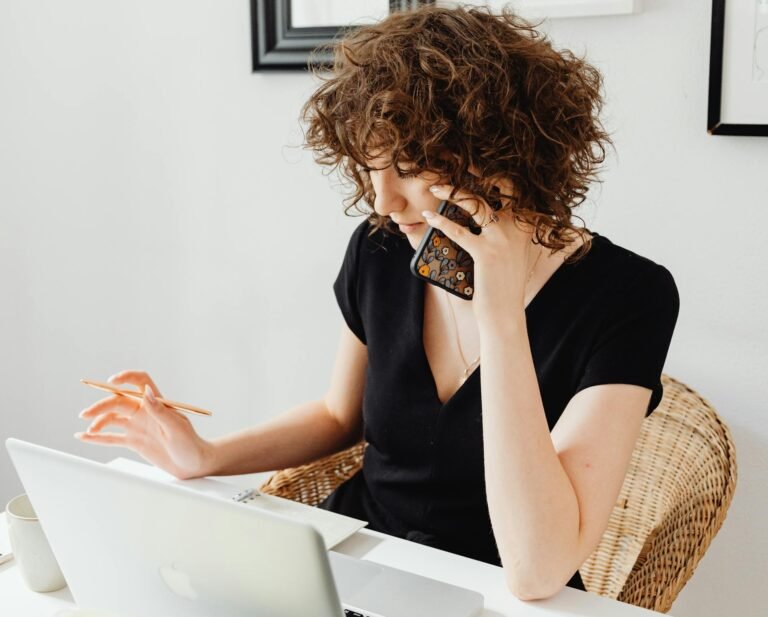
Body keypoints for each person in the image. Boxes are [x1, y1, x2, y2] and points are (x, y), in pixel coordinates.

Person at [75, 5, 679, 601]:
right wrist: (205, 457)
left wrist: (500, 321)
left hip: (490, 594)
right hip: (353, 567)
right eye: (371, 167)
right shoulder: (382, 248)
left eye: (410, 167)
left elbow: (537, 568)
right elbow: (340, 416)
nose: (384, 200)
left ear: (505, 156)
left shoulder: (629, 297)